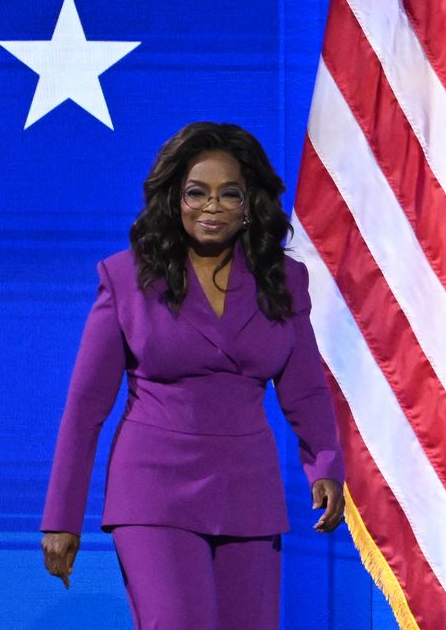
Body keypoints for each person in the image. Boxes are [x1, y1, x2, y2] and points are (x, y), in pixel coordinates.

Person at [40, 122, 346, 629]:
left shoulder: (283, 280)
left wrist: (326, 464)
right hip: (154, 491)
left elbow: (306, 388)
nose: (212, 206)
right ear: (174, 200)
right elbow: (85, 407)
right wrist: (61, 518)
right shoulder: (127, 278)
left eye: (230, 194)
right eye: (197, 193)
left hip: (248, 491)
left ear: (250, 204)